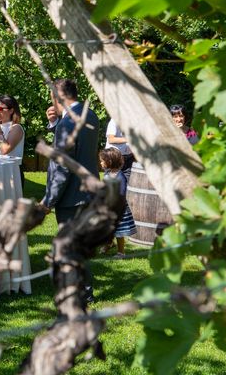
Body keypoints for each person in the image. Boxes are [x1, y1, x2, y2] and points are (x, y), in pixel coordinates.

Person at [41, 79, 99, 304]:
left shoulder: (67, 124)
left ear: (59, 98)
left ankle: (80, 293)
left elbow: (63, 167)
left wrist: (48, 200)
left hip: (72, 194)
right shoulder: (90, 115)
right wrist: (55, 123)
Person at [99, 148, 136, 258]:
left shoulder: (120, 177)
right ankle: (109, 244)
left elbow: (121, 194)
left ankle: (121, 252)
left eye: (102, 160)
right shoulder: (107, 174)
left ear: (109, 162)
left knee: (119, 231)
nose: (100, 163)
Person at [0, 94, 25, 184]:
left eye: (0, 109)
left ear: (11, 110)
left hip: (11, 173)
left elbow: (5, 150)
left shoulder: (16, 128)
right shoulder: (0, 127)